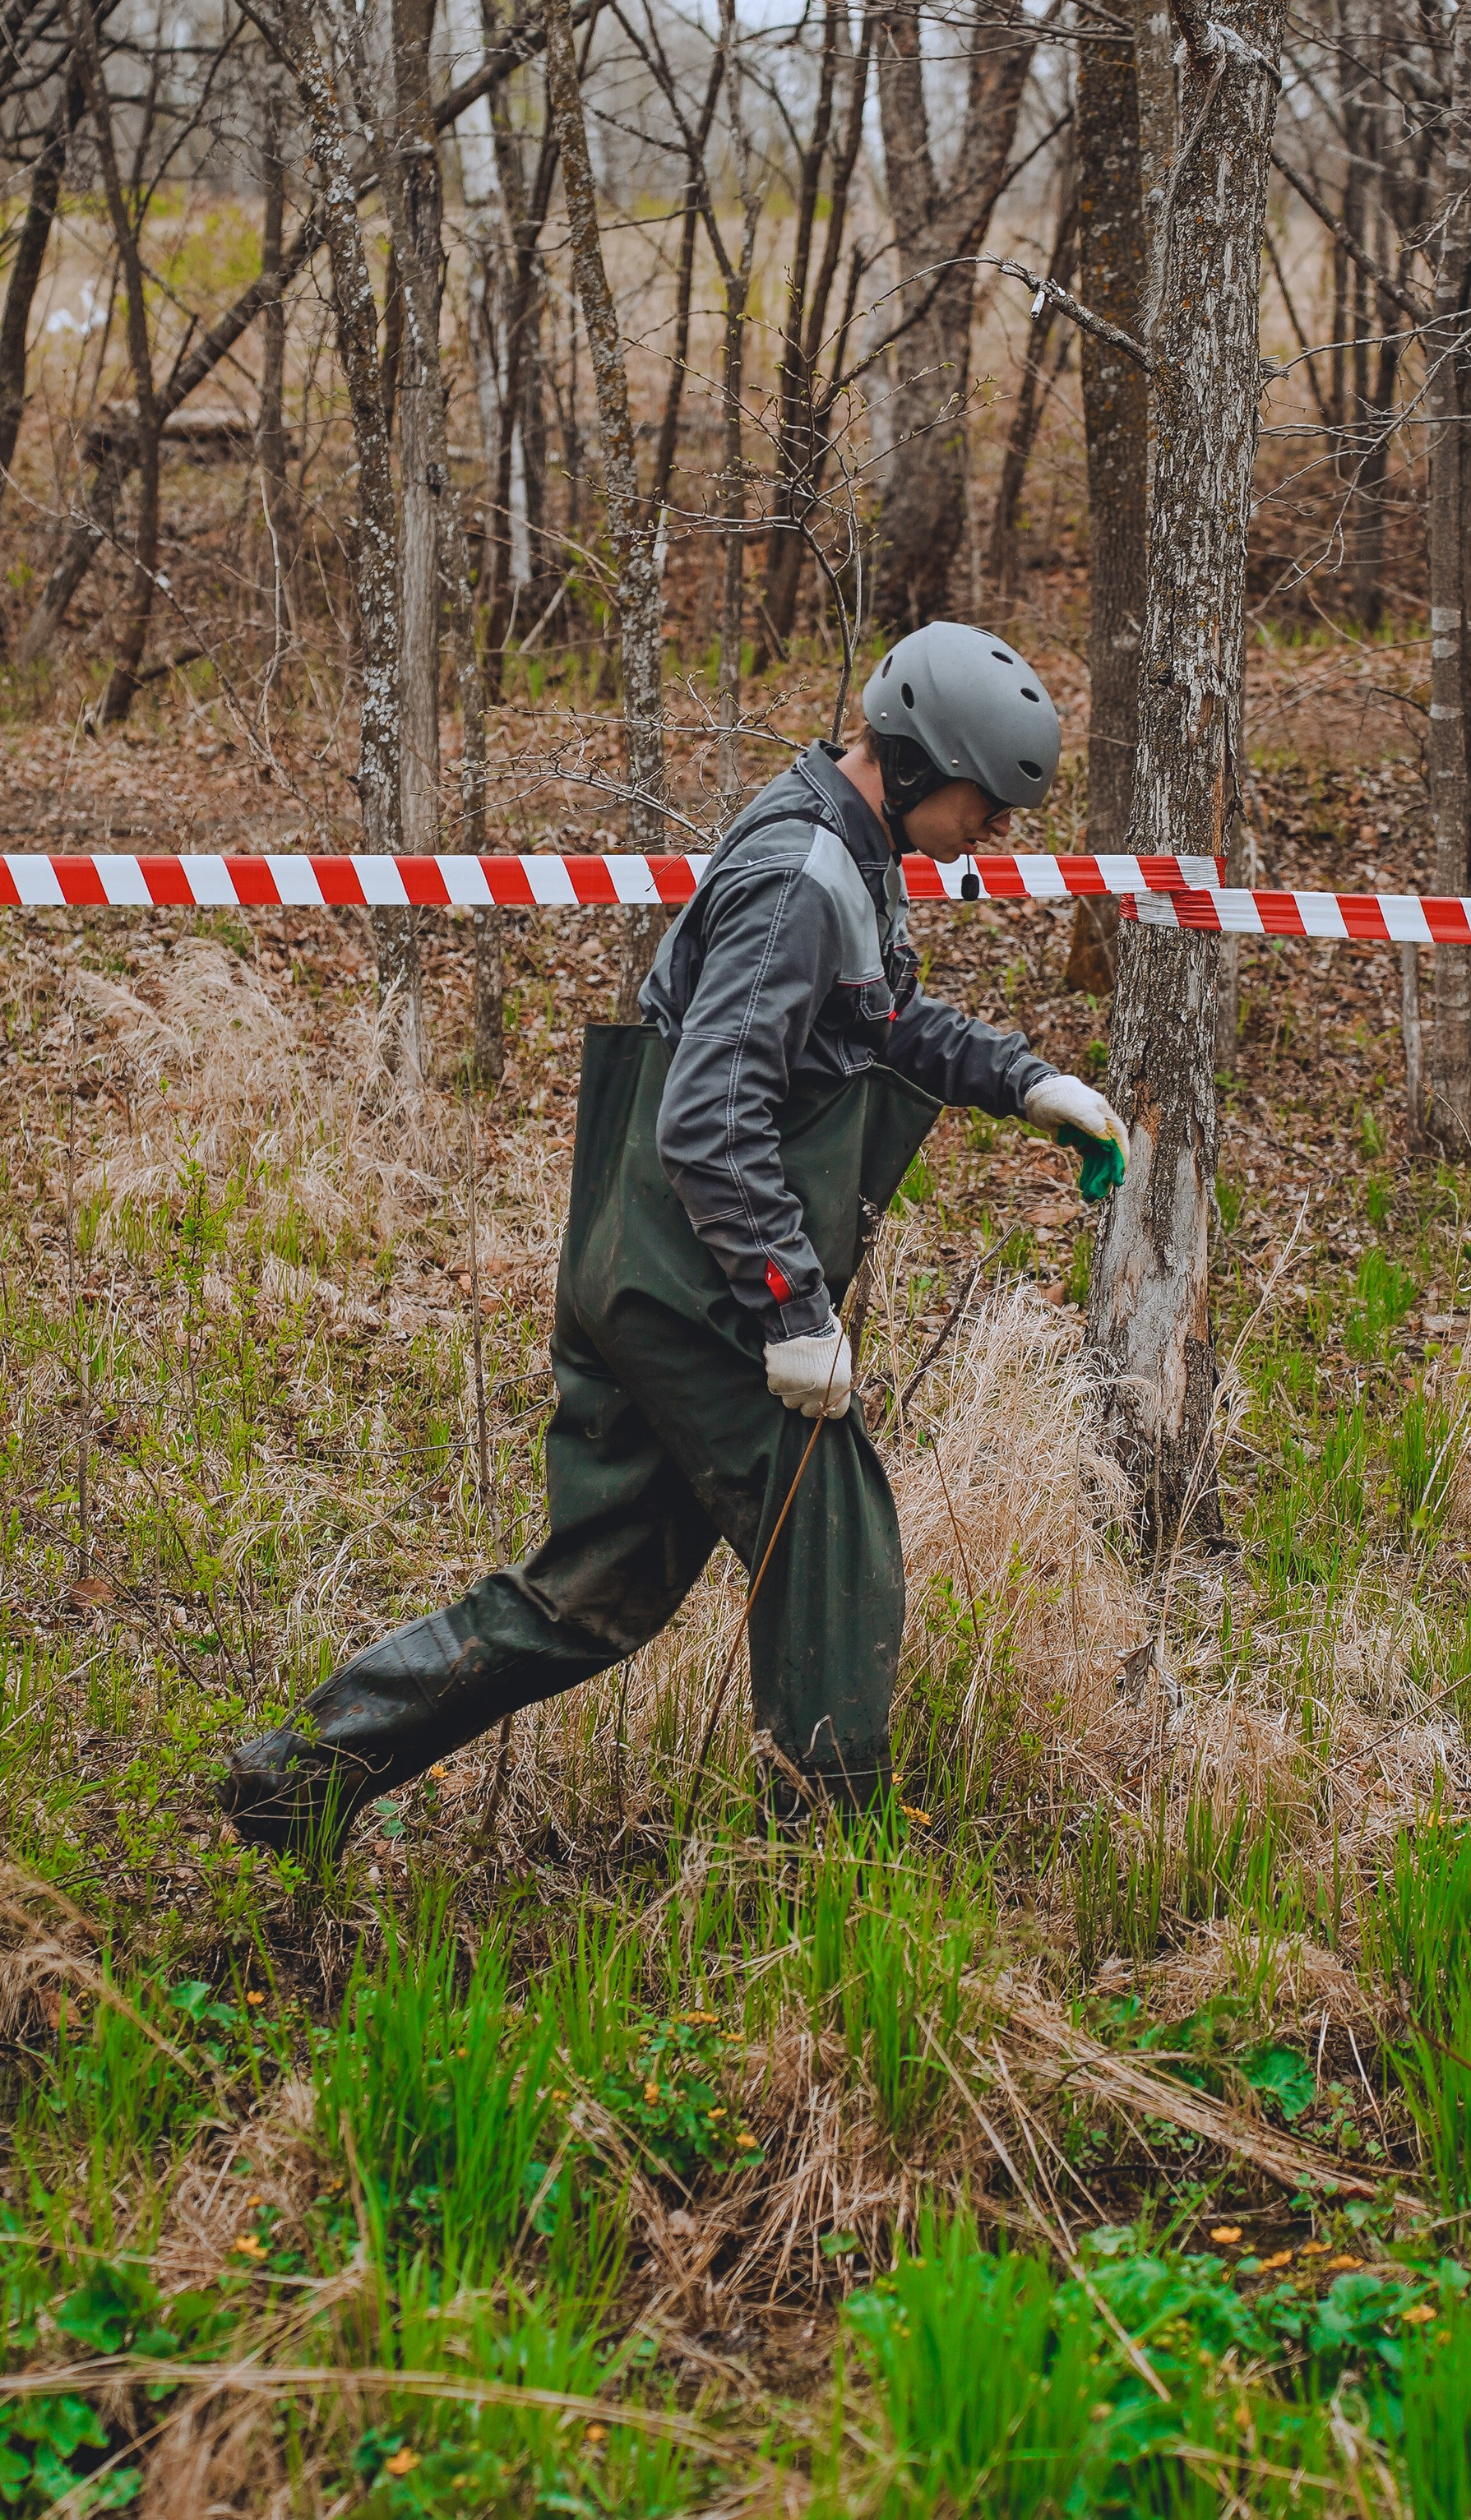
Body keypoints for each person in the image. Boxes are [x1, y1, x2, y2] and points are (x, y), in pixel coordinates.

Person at [224, 622, 1130, 1858]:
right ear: (920, 765)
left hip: (646, 1254)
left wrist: (1026, 1082)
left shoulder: (843, 848)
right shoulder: (802, 875)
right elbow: (709, 1118)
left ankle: (301, 1776)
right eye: (990, 801)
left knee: (593, 1593)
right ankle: (831, 1860)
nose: (998, 833)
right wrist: (793, 1310)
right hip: (689, 1270)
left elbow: (879, 1016)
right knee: (831, 1523)